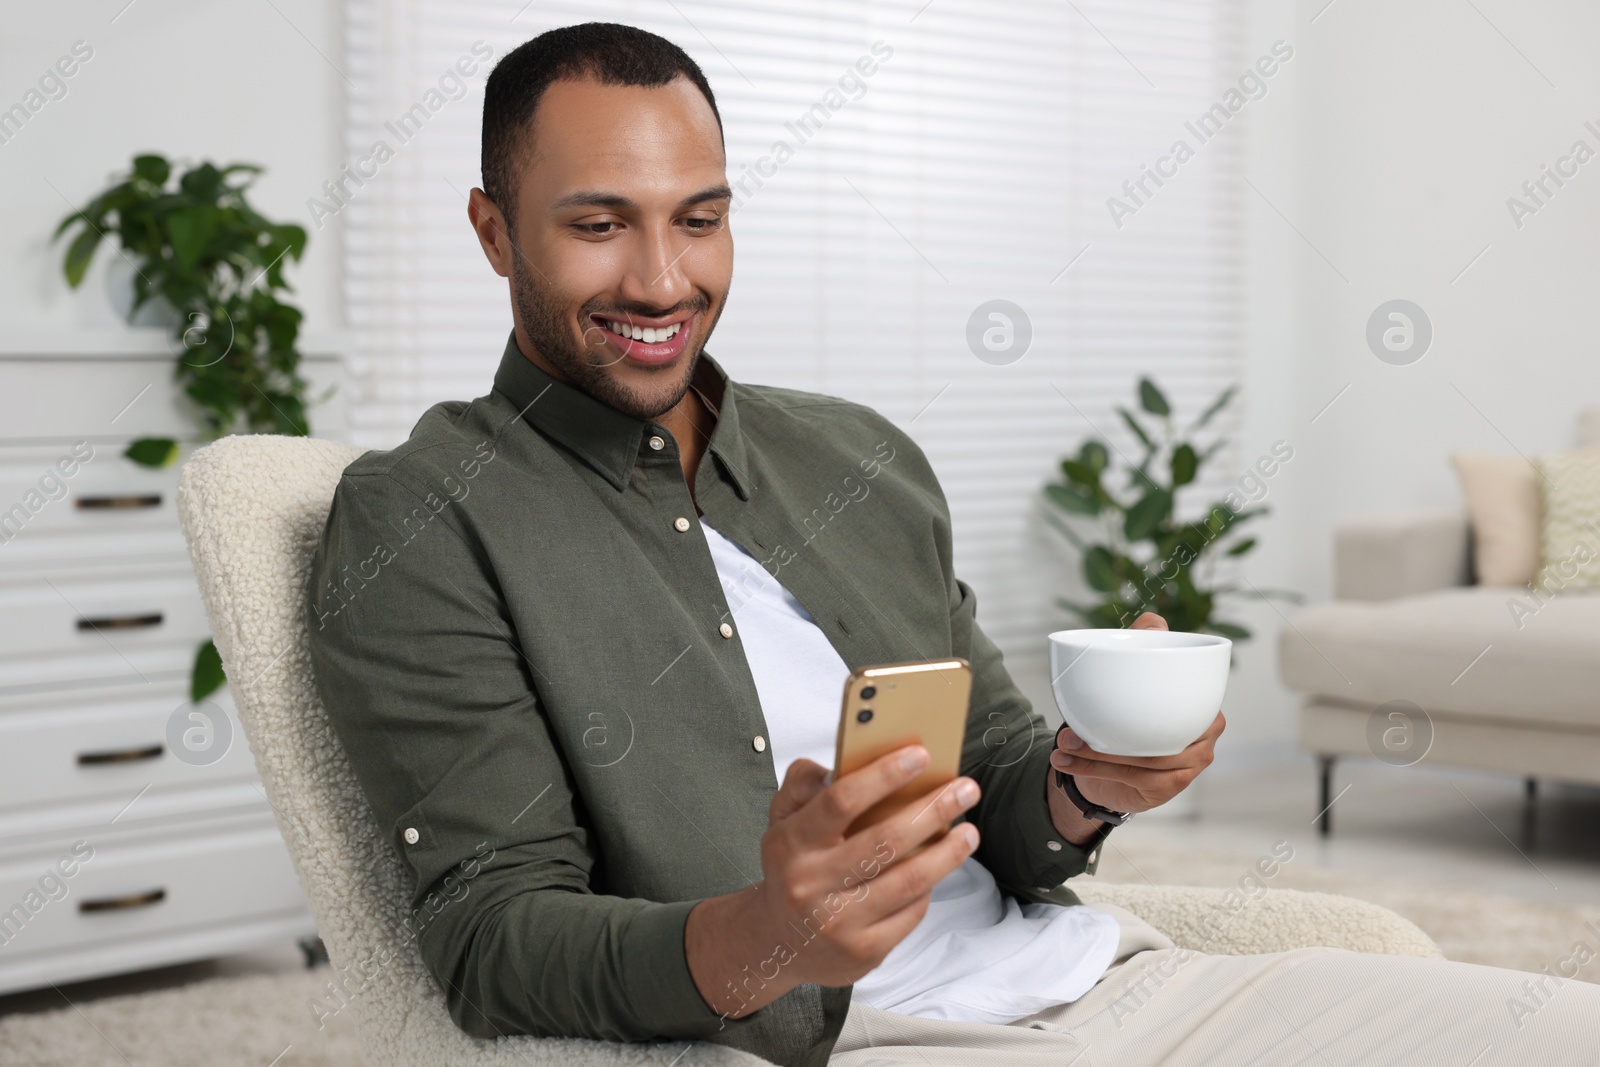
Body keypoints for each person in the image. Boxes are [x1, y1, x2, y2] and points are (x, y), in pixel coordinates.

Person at [306, 22, 1600, 1067]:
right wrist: (767, 937)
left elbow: (997, 785)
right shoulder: (425, 516)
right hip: (873, 1037)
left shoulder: (855, 460)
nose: (661, 279)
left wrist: (1089, 785)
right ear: (493, 231)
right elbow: (488, 943)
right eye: (600, 226)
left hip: (1117, 982)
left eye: (699, 218)